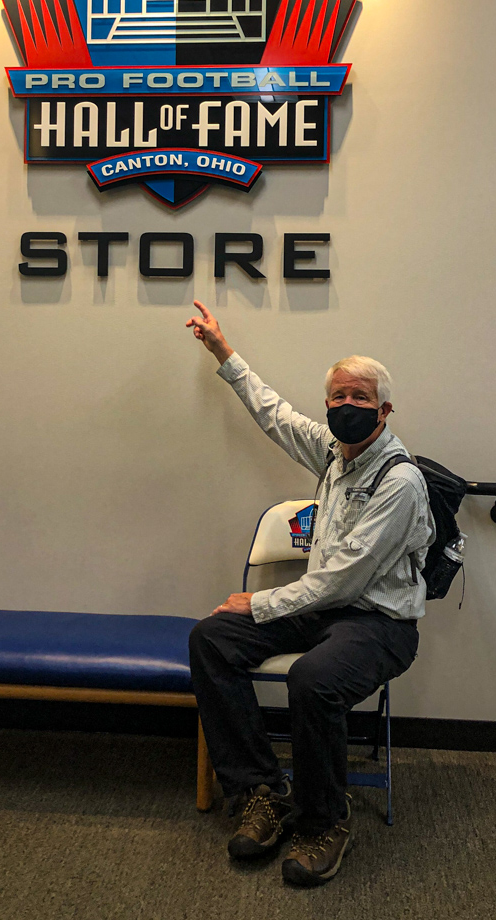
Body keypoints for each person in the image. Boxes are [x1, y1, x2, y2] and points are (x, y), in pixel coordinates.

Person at [185, 301, 434, 888]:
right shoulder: (331, 452)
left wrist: (261, 603)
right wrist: (223, 351)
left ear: (385, 410)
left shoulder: (400, 481)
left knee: (313, 679)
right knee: (212, 639)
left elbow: (346, 578)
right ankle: (261, 793)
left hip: (379, 625)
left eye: (360, 397)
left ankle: (324, 822)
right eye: (338, 396)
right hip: (321, 610)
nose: (346, 405)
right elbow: (273, 413)